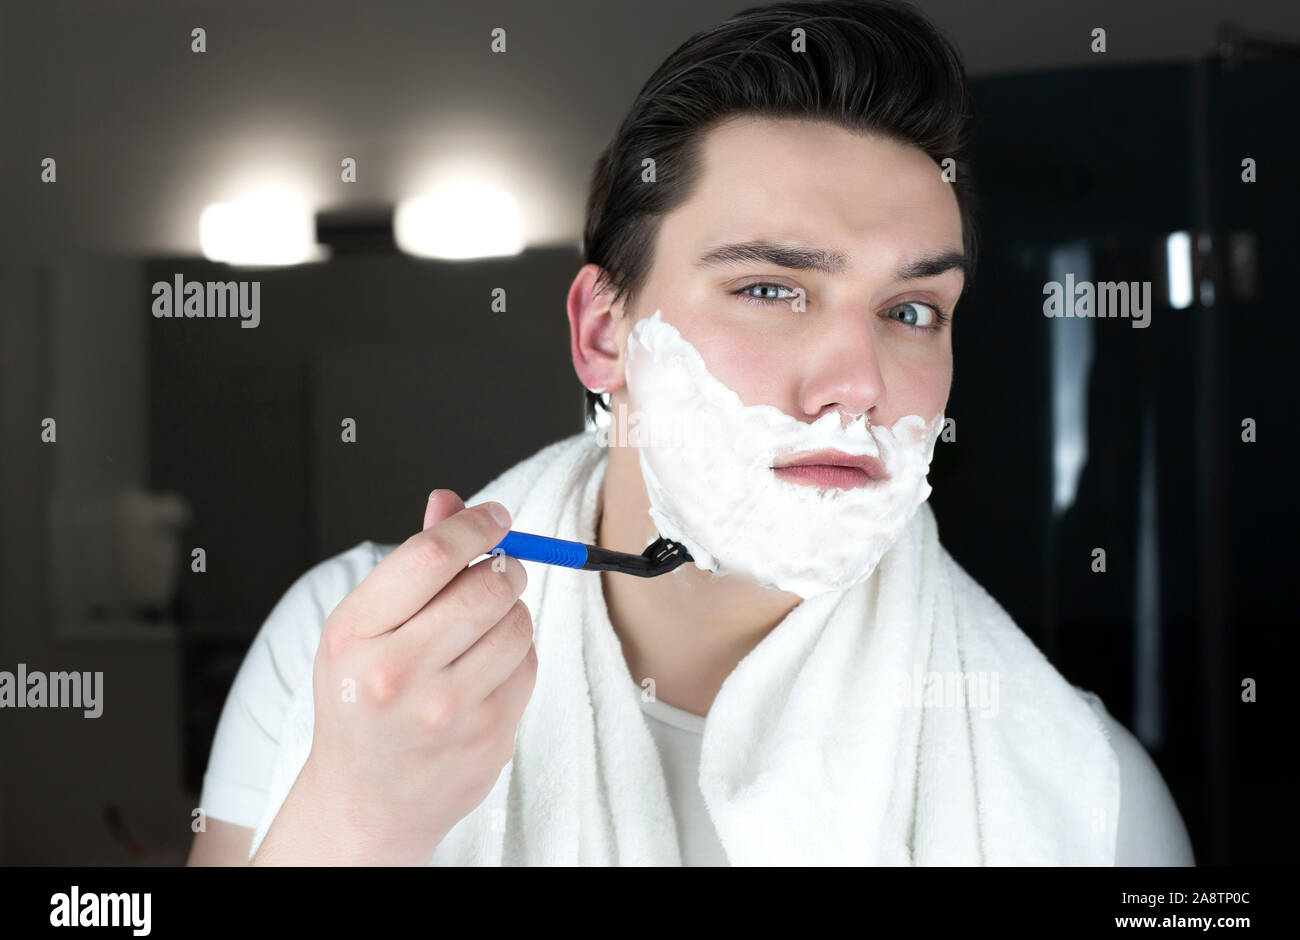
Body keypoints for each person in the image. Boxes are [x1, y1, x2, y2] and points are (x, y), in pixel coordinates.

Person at [188, 0, 1194, 866]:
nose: (860, 383)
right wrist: (359, 813)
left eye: (911, 310)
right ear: (602, 333)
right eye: (769, 287)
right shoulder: (348, 654)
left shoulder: (1088, 795)